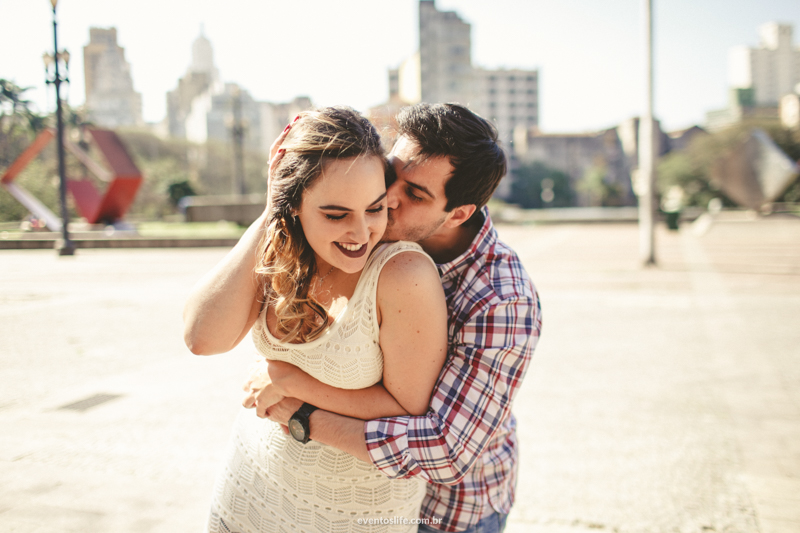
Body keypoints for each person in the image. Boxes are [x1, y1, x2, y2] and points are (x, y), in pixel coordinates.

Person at [244, 103, 542, 533]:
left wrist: (301, 409)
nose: (388, 198)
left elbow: (445, 450)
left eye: (416, 194)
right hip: (350, 504)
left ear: (459, 213)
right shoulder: (366, 231)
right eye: (391, 173)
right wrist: (279, 199)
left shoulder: (502, 301)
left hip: (448, 515)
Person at [183, 106, 450, 532]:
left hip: (353, 516)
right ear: (295, 205)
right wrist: (271, 209)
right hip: (250, 493)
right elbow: (201, 338)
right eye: (335, 214)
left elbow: (408, 407)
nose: (361, 233)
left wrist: (291, 382)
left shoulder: (403, 275)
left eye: (375, 208)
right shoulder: (279, 249)